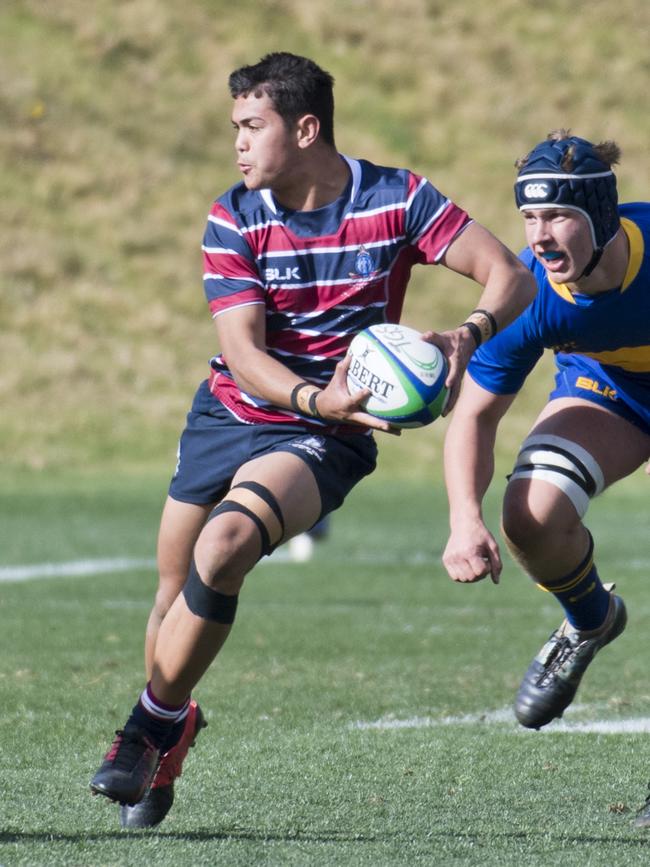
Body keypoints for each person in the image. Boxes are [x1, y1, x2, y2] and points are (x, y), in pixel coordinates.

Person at [89, 51, 535, 829]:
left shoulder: (399, 199)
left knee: (224, 546)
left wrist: (469, 333)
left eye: (251, 126)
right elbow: (243, 352)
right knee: (170, 597)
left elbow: (509, 274)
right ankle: (176, 724)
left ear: (305, 127)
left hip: (326, 435)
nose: (237, 143)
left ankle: (148, 725)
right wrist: (310, 392)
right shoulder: (233, 216)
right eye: (234, 127)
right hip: (232, 412)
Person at [441, 130, 650, 824]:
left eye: (558, 215)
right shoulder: (529, 295)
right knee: (528, 511)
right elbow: (473, 415)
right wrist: (464, 520)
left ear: (601, 214)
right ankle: (590, 621)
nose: (539, 235)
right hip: (612, 389)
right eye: (529, 217)